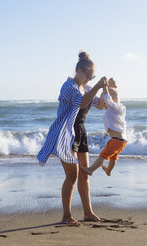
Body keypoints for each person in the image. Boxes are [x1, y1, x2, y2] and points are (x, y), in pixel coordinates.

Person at [37, 51, 107, 226]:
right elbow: (81, 102)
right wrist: (98, 86)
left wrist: (106, 88)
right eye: (89, 76)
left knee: (84, 174)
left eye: (93, 77)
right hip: (65, 133)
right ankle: (66, 216)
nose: (90, 80)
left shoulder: (87, 88)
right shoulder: (68, 87)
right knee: (72, 175)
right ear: (79, 71)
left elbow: (101, 105)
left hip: (80, 132)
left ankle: (88, 212)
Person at [81, 78, 127, 176]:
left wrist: (105, 86)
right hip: (122, 141)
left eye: (105, 103)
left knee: (103, 155)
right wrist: (113, 86)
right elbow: (111, 96)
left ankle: (91, 170)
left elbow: (107, 97)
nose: (104, 105)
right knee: (113, 157)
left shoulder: (113, 107)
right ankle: (109, 170)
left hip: (116, 140)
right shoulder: (121, 108)